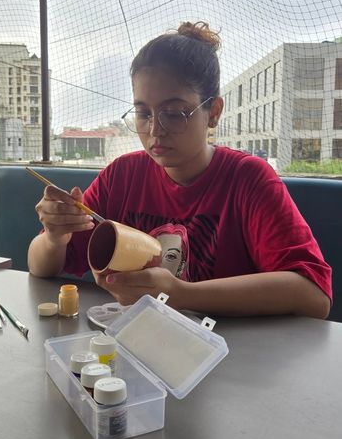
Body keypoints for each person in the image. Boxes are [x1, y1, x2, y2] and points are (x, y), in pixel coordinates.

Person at [28, 21, 332, 318]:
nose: (155, 130)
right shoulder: (122, 175)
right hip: (133, 348)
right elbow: (40, 265)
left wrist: (180, 293)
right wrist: (56, 237)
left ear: (213, 113)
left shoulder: (248, 178)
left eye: (174, 114)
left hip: (229, 353)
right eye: (143, 113)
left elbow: (313, 294)